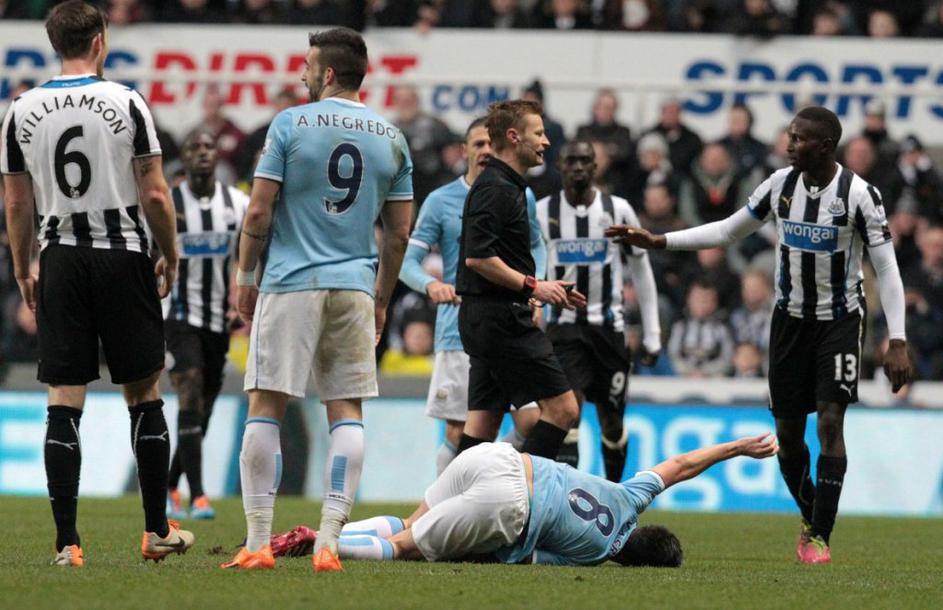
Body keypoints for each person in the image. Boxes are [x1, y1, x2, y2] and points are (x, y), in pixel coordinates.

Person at [607, 106, 913, 564]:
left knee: (830, 422)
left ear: (825, 147)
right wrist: (660, 240)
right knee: (788, 437)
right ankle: (811, 512)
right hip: (789, 321)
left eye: (799, 139)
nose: (789, 145)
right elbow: (728, 230)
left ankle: (820, 536)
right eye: (789, 136)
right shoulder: (779, 186)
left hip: (839, 322)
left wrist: (898, 339)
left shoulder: (859, 195)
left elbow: (886, 267)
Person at [0, 0, 193, 566]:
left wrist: (23, 266)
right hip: (122, 256)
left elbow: (16, 201)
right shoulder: (127, 102)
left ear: (54, 44)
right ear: (100, 41)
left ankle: (67, 543)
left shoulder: (20, 110)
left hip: (59, 258)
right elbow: (154, 191)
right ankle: (156, 530)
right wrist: (170, 253)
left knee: (64, 398)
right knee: (143, 392)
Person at [227, 27, 413, 573]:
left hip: (291, 280)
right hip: (355, 286)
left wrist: (245, 275)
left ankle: (258, 542)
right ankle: (329, 543)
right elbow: (399, 234)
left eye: (307, 66)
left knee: (266, 402)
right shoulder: (392, 137)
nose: (302, 74)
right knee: (346, 410)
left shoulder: (290, 123)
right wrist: (382, 298)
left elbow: (259, 210)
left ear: (327, 73)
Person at [269, 434, 779, 566]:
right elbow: (523, 557)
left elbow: (680, 465)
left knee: (409, 522)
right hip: (510, 501)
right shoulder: (596, 554)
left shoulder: (630, 495)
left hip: (501, 457)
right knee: (407, 548)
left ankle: (327, 532)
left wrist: (736, 448)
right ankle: (323, 546)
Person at [400, 116, 548, 475]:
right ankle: (446, 501)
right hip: (458, 328)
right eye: (477, 144)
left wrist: (535, 287)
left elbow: (537, 245)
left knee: (532, 422)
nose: (485, 151)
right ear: (464, 150)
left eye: (490, 144)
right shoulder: (440, 201)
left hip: (510, 322)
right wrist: (431, 285)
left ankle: (487, 474)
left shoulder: (520, 194)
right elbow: (408, 262)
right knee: (459, 429)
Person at [456, 99, 586, 462]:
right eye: (538, 133)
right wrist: (534, 287)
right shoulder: (496, 188)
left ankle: (449, 497)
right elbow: (478, 257)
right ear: (514, 137)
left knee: (483, 425)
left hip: (488, 317)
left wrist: (544, 288)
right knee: (563, 410)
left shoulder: (506, 185)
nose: (546, 142)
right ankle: (525, 491)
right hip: (501, 320)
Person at [535, 140, 661, 480]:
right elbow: (531, 268)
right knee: (568, 413)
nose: (578, 167)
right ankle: (568, 500)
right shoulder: (542, 212)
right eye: (571, 161)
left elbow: (641, 268)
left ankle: (614, 494)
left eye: (585, 161)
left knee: (612, 421)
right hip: (563, 329)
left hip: (609, 330)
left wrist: (652, 333)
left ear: (595, 166)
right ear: (559, 166)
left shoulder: (618, 210)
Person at [164, 129, 248, 521]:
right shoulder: (168, 203)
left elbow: (255, 249)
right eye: (194, 146)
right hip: (179, 316)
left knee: (204, 408)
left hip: (218, 320)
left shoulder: (237, 203)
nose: (202, 152)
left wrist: (246, 297)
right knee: (190, 389)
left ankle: (169, 486)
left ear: (218, 156)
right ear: (183, 157)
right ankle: (198, 495)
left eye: (209, 146)